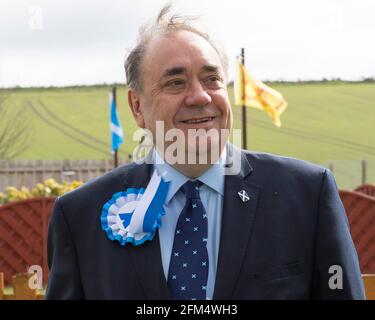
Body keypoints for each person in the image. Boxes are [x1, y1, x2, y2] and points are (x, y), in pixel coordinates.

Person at [46, 5, 365, 300]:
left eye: (212, 79)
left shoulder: (308, 195)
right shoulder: (79, 216)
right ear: (137, 106)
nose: (199, 96)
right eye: (175, 82)